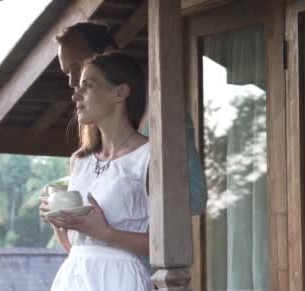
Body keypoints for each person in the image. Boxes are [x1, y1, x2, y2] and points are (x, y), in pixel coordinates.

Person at [43, 51, 151, 291]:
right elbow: (77, 248)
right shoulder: (80, 161)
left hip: (120, 284)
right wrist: (59, 223)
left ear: (120, 92)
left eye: (88, 85)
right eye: (78, 86)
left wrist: (106, 233)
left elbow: (165, 246)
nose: (76, 95)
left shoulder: (150, 157)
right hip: (70, 282)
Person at [52, 21, 207, 217]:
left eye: (79, 66)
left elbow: (195, 198)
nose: (73, 82)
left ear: (109, 54)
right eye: (68, 72)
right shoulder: (92, 128)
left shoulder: (162, 115)